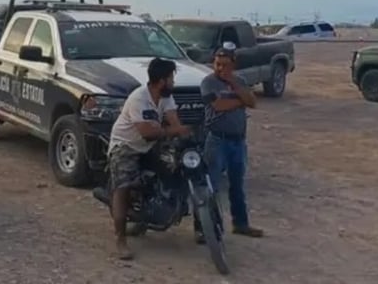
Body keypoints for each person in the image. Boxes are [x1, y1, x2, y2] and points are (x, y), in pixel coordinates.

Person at [105, 58, 192, 260]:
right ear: (162, 80)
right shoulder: (139, 98)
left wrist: (185, 134)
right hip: (126, 146)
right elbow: (146, 132)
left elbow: (174, 121)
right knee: (123, 188)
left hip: (149, 146)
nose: (173, 82)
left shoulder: (165, 97)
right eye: (171, 78)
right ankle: (121, 239)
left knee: (174, 166)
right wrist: (175, 130)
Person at [196, 44, 264, 241]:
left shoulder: (240, 81)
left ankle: (241, 224)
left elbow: (253, 102)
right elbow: (217, 105)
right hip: (217, 139)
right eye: (217, 64)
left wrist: (234, 85)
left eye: (225, 65)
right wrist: (241, 100)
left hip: (238, 141)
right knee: (211, 186)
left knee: (237, 184)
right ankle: (204, 228)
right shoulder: (208, 83)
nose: (220, 69)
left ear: (233, 64)